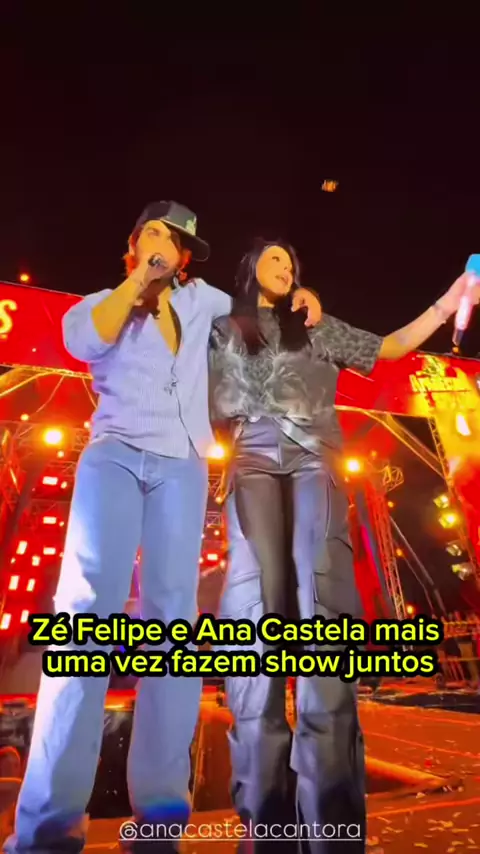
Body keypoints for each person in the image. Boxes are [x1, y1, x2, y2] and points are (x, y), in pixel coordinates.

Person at [5, 203, 321, 854]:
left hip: (182, 465)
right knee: (86, 617)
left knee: (174, 626)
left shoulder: (203, 301)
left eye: (177, 243)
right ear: (133, 244)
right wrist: (136, 283)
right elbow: (82, 343)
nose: (166, 245)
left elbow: (255, 315)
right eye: (155, 233)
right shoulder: (101, 303)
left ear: (184, 260)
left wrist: (297, 297)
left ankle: (159, 821)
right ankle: (48, 829)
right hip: (114, 456)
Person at [208, 238, 480, 853]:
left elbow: (391, 347)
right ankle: (264, 831)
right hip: (250, 456)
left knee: (325, 613)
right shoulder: (220, 326)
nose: (285, 269)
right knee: (252, 621)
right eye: (274, 260)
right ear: (250, 270)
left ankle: (332, 831)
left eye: (291, 263)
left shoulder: (316, 326)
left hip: (315, 457)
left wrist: (448, 303)